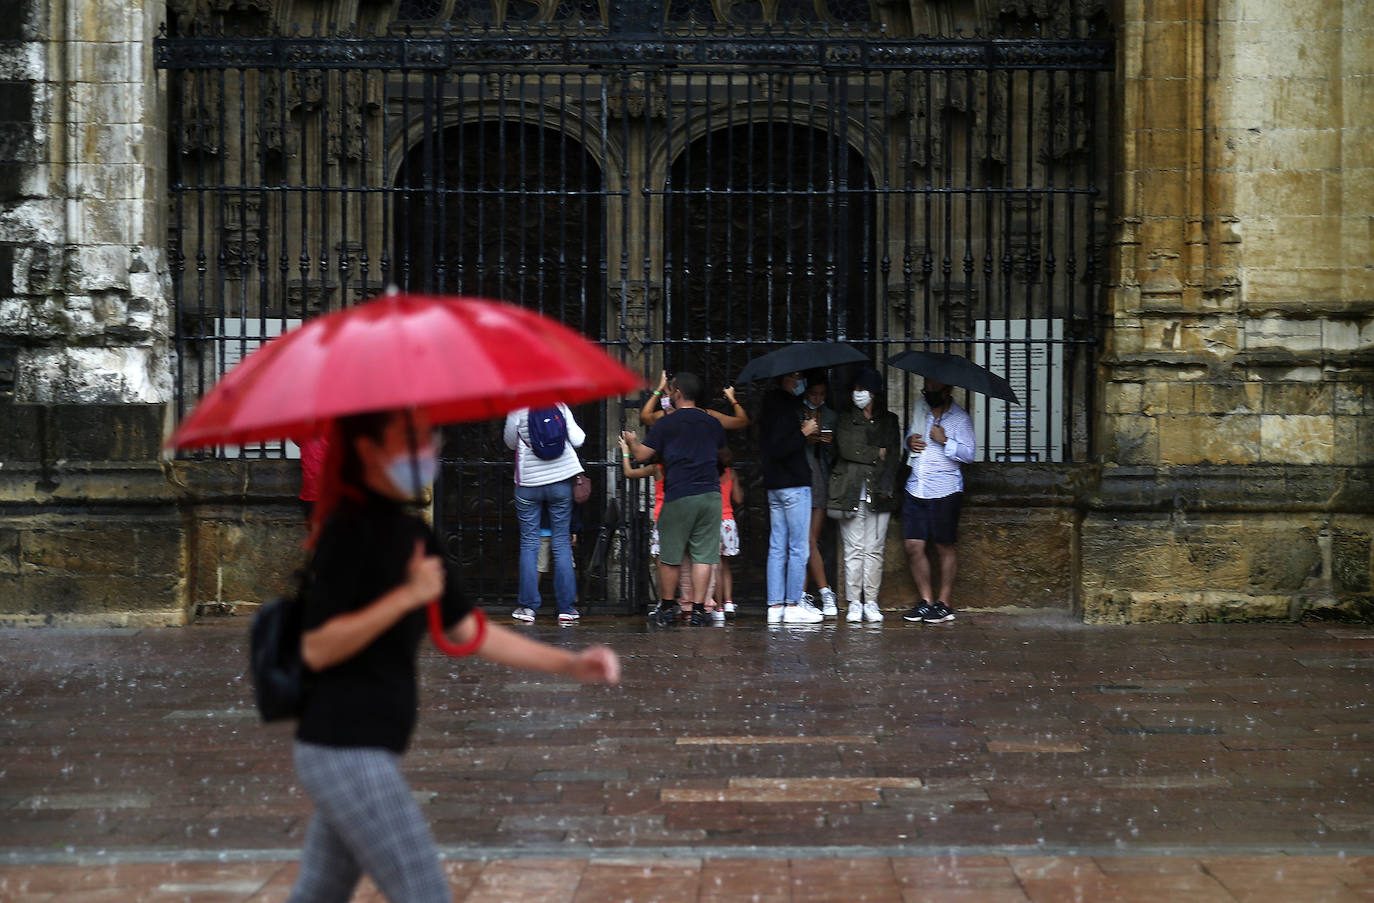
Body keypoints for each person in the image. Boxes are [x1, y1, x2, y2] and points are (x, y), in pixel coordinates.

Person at [291, 408, 619, 903]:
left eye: (431, 442)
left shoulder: (413, 538)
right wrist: (405, 597)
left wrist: (568, 664)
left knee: (319, 892)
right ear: (374, 455)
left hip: (373, 743)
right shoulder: (346, 537)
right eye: (417, 444)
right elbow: (315, 648)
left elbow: (470, 631)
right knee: (424, 891)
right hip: (343, 746)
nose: (431, 454)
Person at [622, 372, 728, 627]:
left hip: (679, 494)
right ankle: (701, 610)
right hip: (710, 495)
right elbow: (725, 455)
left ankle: (668, 608)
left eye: (669, 392)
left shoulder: (666, 423)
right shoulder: (712, 422)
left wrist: (632, 442)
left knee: (670, 556)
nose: (668, 397)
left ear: (678, 393)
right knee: (704, 556)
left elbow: (644, 455)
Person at [827, 368, 902, 624]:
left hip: (880, 491)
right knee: (854, 549)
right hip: (850, 490)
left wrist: (885, 476)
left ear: (874, 392)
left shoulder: (889, 420)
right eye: (855, 389)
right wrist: (874, 453)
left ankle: (871, 601)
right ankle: (854, 602)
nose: (857, 394)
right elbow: (847, 448)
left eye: (862, 389)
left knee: (875, 550)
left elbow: (892, 455)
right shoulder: (846, 418)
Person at [901, 378, 976, 624]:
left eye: (934, 388)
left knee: (944, 545)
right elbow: (911, 437)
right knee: (913, 546)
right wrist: (908, 442)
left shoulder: (960, 418)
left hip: (945, 490)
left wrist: (945, 441)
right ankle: (926, 601)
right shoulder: (920, 408)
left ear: (948, 390)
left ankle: (944, 603)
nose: (929, 392)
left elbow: (969, 454)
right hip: (916, 487)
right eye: (927, 388)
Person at [504, 404, 586, 623]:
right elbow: (579, 439)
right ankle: (567, 608)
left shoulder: (518, 409)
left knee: (529, 543)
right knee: (561, 543)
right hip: (560, 482)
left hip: (528, 483)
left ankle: (528, 608)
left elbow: (510, 442)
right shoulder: (559, 405)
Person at [757, 370, 823, 624]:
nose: (799, 382)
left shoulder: (768, 406)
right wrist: (803, 432)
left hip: (775, 485)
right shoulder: (784, 407)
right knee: (798, 547)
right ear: (783, 378)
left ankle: (775, 606)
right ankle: (793, 603)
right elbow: (781, 447)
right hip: (793, 484)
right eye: (795, 377)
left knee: (777, 546)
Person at [800, 372, 839, 616]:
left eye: (822, 394)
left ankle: (809, 593)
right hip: (801, 476)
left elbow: (838, 452)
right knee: (805, 541)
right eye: (814, 394)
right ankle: (822, 591)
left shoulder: (832, 416)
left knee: (809, 539)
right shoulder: (796, 413)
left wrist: (828, 443)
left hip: (821, 477)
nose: (817, 398)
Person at [639, 370, 750, 430]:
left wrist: (658, 389)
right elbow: (742, 421)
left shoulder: (666, 416)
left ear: (678, 393)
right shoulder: (710, 416)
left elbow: (644, 416)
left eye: (670, 390)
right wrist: (732, 399)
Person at [713, 448, 745, 619]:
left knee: (715, 566)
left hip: (712, 522)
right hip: (728, 522)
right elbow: (739, 499)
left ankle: (718, 608)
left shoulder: (709, 474)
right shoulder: (731, 473)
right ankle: (729, 603)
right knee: (726, 566)